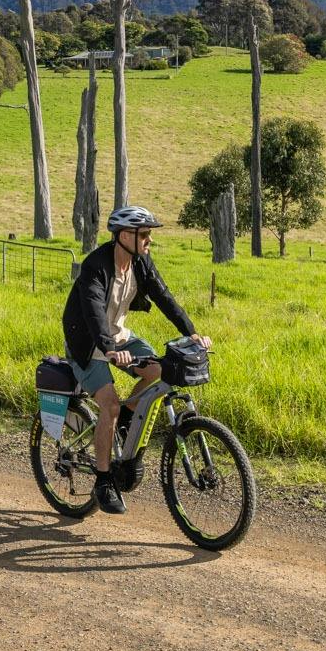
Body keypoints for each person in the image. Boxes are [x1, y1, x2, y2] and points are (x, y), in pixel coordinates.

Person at [60, 204, 209, 515]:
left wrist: (192, 333)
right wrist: (109, 349)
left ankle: (126, 419)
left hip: (119, 336)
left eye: (149, 235)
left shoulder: (140, 262)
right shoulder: (96, 266)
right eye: (144, 235)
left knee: (158, 370)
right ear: (125, 235)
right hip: (88, 343)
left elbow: (164, 296)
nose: (149, 241)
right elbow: (93, 312)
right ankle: (103, 480)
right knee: (109, 403)